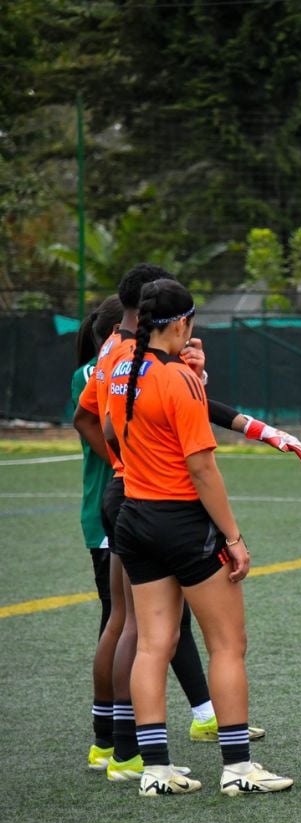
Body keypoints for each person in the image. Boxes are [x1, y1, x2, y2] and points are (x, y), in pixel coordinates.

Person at [73, 263, 301, 778]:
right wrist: (233, 537)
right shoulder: (179, 378)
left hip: (132, 514)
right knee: (228, 643)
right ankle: (238, 766)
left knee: (153, 643)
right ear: (180, 324)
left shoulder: (114, 367)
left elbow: (106, 426)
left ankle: (154, 768)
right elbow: (201, 466)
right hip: (181, 520)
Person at [72, 296, 124, 769]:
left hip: (118, 508)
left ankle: (114, 738)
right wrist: (126, 466)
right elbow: (95, 423)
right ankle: (109, 740)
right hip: (116, 507)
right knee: (120, 620)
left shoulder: (103, 368)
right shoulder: (104, 370)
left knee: (134, 622)